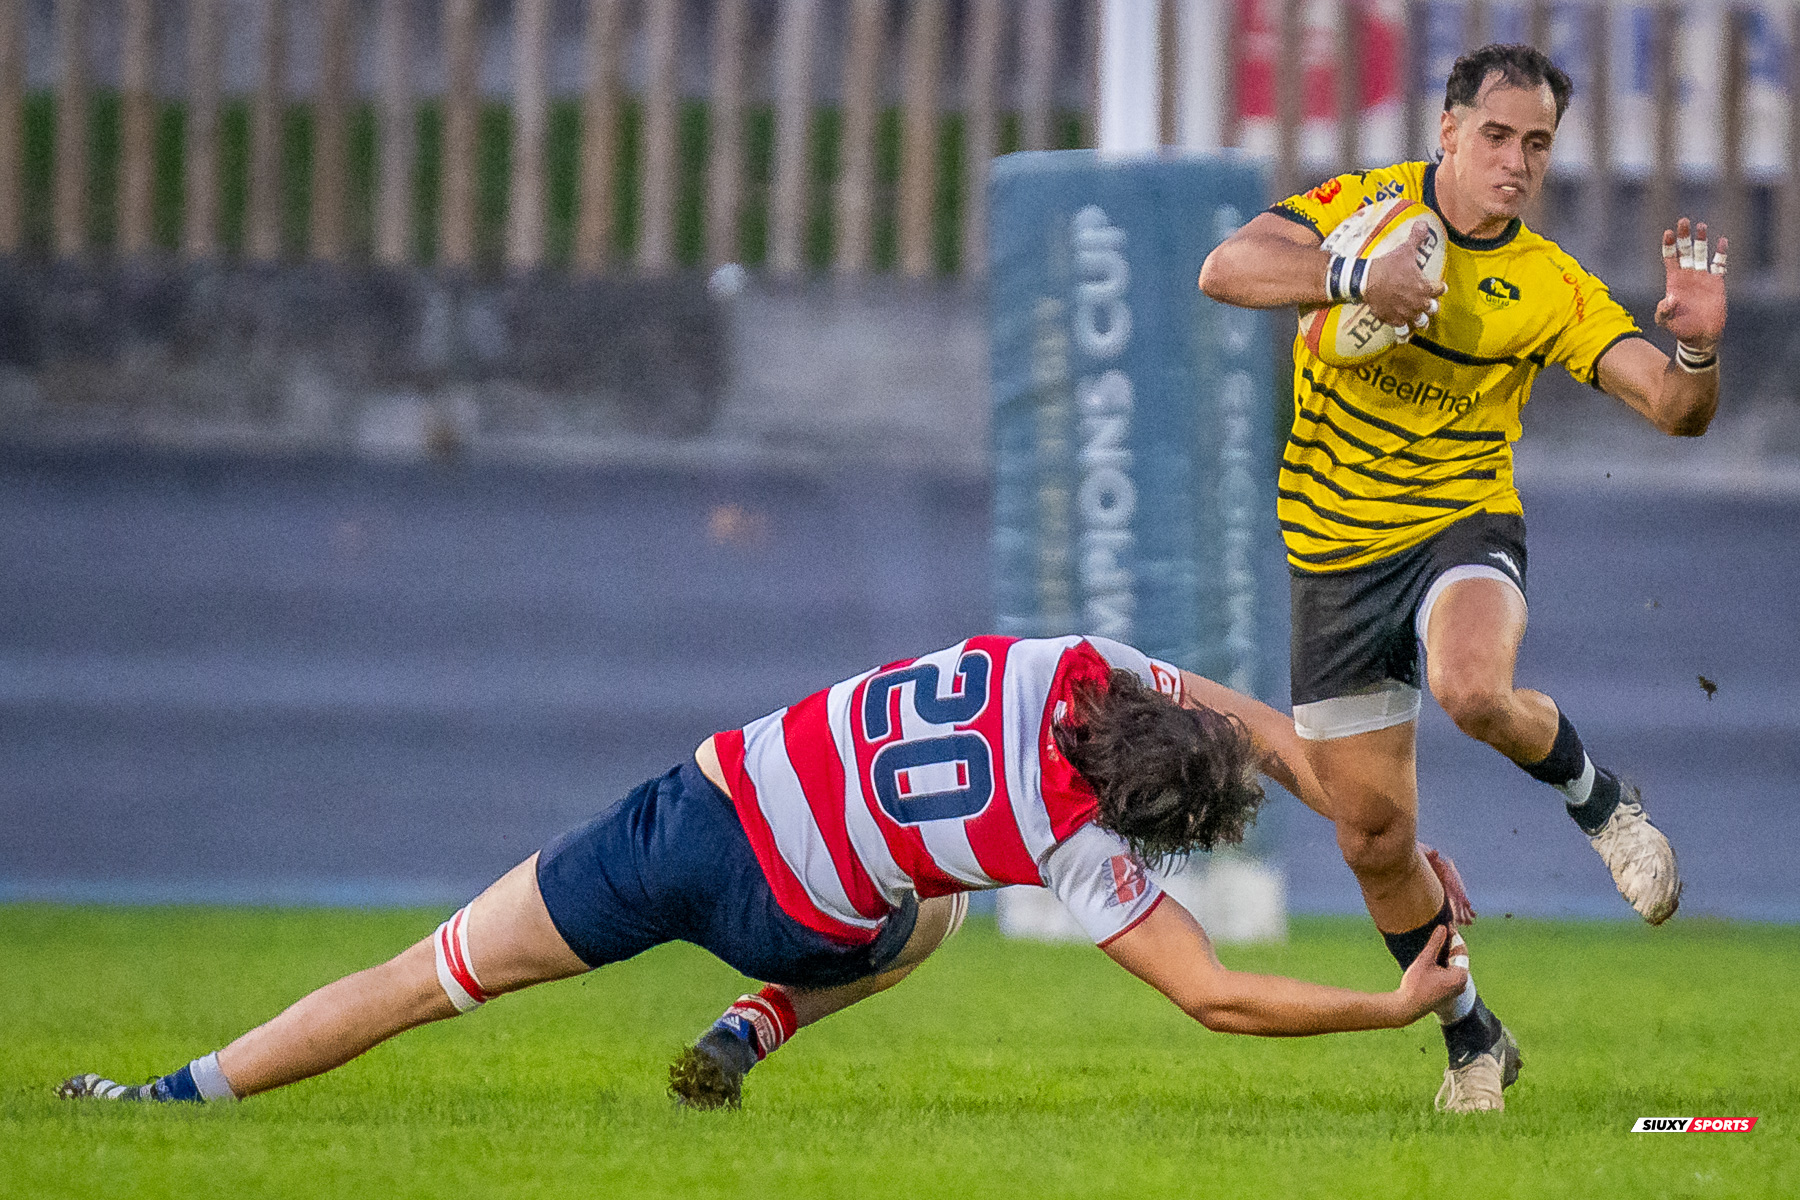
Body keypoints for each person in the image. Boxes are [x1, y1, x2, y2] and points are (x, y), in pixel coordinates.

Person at [59, 634, 1469, 1112]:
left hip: (695, 808)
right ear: (1137, 817)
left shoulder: (1077, 665)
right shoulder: (1072, 838)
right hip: (792, 914)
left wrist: (1363, 816)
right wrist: (1387, 1005)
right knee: (927, 914)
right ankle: (761, 1018)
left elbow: (1252, 724)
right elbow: (1213, 998)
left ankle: (167, 1098)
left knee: (428, 975)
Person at [1198, 43, 1728, 1112]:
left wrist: (1702, 354)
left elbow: (1673, 411)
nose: (1516, 161)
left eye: (1537, 144)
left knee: (1473, 688)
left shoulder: (1549, 284)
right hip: (1334, 554)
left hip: (1459, 527)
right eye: (1497, 136)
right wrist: (1357, 276)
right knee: (1371, 834)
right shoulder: (1364, 208)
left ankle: (1604, 804)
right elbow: (1225, 268)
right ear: (1446, 132)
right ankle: (1473, 1040)